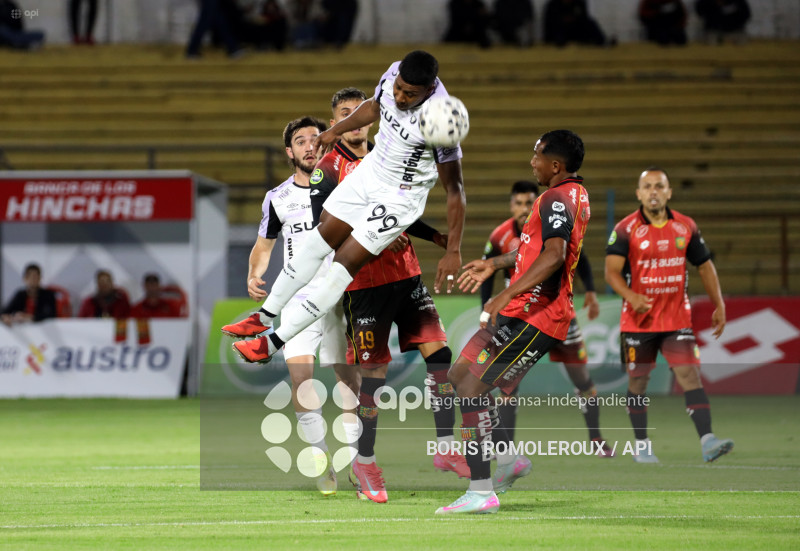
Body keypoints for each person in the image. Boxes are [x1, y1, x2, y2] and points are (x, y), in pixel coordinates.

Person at [230, 50, 466, 372]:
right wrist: (334, 131)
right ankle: (263, 316)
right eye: (398, 88)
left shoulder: (442, 121)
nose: (399, 96)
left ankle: (270, 343)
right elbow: (373, 106)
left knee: (342, 264)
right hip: (371, 172)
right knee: (318, 241)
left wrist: (453, 249)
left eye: (409, 94)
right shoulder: (394, 73)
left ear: (427, 91)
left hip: (399, 197)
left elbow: (455, 190)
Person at [297, 87, 469, 503]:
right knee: (373, 378)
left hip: (406, 274)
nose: (354, 119)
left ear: (370, 119)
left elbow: (404, 209)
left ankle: (445, 446)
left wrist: (433, 236)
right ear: (339, 121)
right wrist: (375, 236)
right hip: (364, 283)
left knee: (440, 356)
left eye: (359, 111)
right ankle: (365, 461)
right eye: (344, 113)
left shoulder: (390, 154)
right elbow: (328, 225)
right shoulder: (328, 166)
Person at [438, 129, 590, 515]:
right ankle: (507, 459)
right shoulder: (571, 194)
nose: (532, 160)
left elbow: (554, 255)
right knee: (458, 376)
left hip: (537, 315)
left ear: (556, 166)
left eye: (537, 155)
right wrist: (494, 263)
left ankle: (480, 490)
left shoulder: (557, 198)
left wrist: (504, 293)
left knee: (470, 390)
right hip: (520, 310)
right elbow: (533, 252)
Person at [222, 115, 360, 495]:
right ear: (290, 151)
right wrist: (254, 274)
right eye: (301, 141)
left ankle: (355, 458)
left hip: (340, 294)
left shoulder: (342, 188)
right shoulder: (277, 198)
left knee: (349, 383)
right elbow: (264, 245)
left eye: (316, 139)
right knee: (302, 381)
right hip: (300, 298)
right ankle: (321, 460)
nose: (309, 146)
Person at [604, 167, 734, 464]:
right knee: (638, 382)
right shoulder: (625, 229)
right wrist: (631, 296)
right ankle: (642, 445)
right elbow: (611, 273)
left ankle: (707, 440)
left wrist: (719, 304)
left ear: (669, 192)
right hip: (638, 323)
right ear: (638, 193)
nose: (653, 191)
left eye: (659, 186)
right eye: (647, 186)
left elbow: (705, 266)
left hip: (677, 320)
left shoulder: (686, 226)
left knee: (689, 374)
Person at [476, 180, 612, 457]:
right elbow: (487, 278)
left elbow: (579, 256)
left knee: (583, 380)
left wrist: (592, 291)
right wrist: (486, 312)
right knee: (506, 385)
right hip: (521, 317)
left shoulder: (549, 225)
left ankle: (596, 438)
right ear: (511, 205)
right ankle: (506, 451)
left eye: (529, 202)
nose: (524, 208)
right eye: (519, 203)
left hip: (559, 314)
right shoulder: (500, 236)